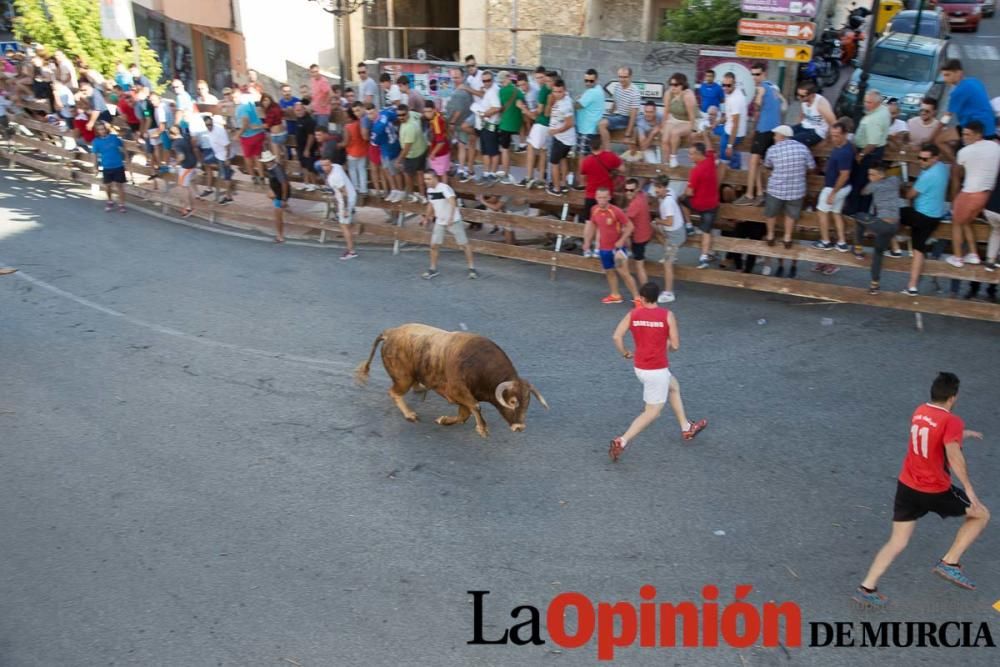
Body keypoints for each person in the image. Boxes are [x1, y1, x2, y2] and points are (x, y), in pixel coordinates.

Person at [853, 372, 989, 608]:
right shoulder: (951, 421)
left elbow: (932, 435)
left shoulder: (920, 412)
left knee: (897, 542)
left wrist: (963, 435)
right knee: (981, 514)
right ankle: (950, 562)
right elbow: (953, 456)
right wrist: (970, 490)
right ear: (953, 397)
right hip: (934, 490)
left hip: (907, 487)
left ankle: (867, 587)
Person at [608, 281, 708, 462]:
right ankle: (622, 441)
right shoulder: (667, 316)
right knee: (652, 412)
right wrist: (663, 343)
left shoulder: (633, 314)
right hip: (657, 370)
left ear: (642, 298)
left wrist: (624, 353)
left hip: (640, 367)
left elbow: (616, 336)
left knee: (674, 387)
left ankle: (686, 427)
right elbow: (675, 345)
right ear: (657, 297)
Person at [947, 121, 1000, 267]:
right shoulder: (995, 146)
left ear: (978, 135)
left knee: (956, 223)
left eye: (968, 134)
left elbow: (957, 174)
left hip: (969, 193)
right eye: (963, 134)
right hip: (986, 196)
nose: (964, 137)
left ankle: (957, 257)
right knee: (966, 222)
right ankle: (973, 254)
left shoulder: (964, 152)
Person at [900, 144, 949, 294]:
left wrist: (904, 188)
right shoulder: (942, 168)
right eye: (920, 158)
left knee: (893, 212)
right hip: (935, 216)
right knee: (918, 250)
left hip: (921, 216)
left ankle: (894, 244)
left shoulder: (928, 176)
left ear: (935, 158)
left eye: (925, 159)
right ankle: (912, 286)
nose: (921, 162)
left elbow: (910, 195)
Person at [849, 163, 902, 294]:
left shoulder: (873, 185)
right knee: (878, 254)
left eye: (872, 174)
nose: (869, 177)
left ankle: (858, 249)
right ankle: (874, 285)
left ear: (881, 174)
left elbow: (863, 192)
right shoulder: (895, 180)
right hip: (894, 226)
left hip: (881, 225)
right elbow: (900, 182)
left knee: (858, 217)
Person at [586, 187, 640, 305]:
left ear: (609, 198)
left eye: (604, 197)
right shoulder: (594, 210)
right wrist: (587, 242)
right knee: (609, 271)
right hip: (604, 248)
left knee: (624, 273)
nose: (602, 200)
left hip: (617, 249)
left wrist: (622, 240)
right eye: (599, 197)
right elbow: (593, 225)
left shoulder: (616, 211)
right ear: (596, 198)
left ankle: (637, 298)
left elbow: (630, 226)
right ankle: (615, 295)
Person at [763, 125, 815, 248]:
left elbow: (767, 165)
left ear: (782, 136)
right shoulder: (803, 148)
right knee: (791, 214)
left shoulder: (773, 150)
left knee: (771, 213)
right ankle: (787, 237)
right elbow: (812, 167)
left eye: (775, 135)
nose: (774, 137)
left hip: (776, 188)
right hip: (797, 189)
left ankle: (770, 235)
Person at [420, 171, 478, 280]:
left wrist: (451, 218)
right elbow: (431, 204)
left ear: (435, 178)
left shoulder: (444, 188)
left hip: (454, 221)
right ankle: (432, 269)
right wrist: (426, 218)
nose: (426, 181)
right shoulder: (430, 190)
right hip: (440, 221)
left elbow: (452, 202)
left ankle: (472, 268)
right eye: (425, 179)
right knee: (434, 245)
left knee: (464, 244)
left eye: (428, 179)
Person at [812, 122, 855, 253]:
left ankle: (825, 241)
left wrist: (833, 193)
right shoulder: (844, 146)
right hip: (842, 187)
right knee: (836, 213)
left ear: (845, 135)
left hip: (834, 187)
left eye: (836, 136)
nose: (833, 139)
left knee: (821, 211)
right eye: (832, 135)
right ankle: (841, 243)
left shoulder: (844, 152)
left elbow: (844, 175)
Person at [848, 90, 891, 215]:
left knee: (858, 184)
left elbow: (872, 143)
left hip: (868, 154)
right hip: (876, 153)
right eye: (865, 101)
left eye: (869, 102)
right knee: (867, 184)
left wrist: (861, 155)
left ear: (877, 103)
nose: (866, 104)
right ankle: (862, 212)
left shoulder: (874, 119)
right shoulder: (883, 110)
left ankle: (854, 212)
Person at [680, 141, 720, 269]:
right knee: (706, 231)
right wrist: (705, 135)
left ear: (698, 154)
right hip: (712, 205)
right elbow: (710, 147)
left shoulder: (695, 171)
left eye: (691, 154)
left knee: (681, 200)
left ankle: (689, 225)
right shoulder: (710, 160)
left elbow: (689, 192)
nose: (689, 157)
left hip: (698, 204)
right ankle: (703, 257)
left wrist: (685, 193)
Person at [940, 59, 996, 140]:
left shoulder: (958, 91)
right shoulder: (974, 81)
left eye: (947, 75)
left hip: (977, 131)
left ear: (959, 73)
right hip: (990, 127)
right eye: (944, 75)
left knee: (939, 140)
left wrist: (932, 135)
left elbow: (947, 116)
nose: (945, 79)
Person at [651, 176, 686, 303]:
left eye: (658, 188)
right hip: (675, 230)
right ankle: (671, 253)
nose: (655, 190)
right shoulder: (670, 191)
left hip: (675, 235)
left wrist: (659, 220)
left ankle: (668, 292)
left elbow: (670, 222)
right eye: (655, 187)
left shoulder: (668, 203)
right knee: (654, 227)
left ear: (664, 187)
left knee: (667, 264)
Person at [519, 69, 553, 188]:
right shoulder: (552, 89)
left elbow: (537, 113)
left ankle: (529, 177)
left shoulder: (544, 90)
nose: (540, 80)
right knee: (543, 151)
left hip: (541, 123)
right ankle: (541, 180)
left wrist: (524, 109)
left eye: (542, 77)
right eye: (537, 78)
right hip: (549, 125)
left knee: (530, 148)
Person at [579, 135, 622, 227]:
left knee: (589, 222)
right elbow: (622, 168)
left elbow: (582, 178)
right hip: (607, 194)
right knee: (610, 221)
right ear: (601, 145)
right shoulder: (610, 156)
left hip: (591, 194)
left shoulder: (586, 161)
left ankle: (587, 241)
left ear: (590, 147)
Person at [320, 159, 358, 259]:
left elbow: (344, 192)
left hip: (345, 200)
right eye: (322, 166)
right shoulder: (337, 166)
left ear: (330, 164)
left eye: (326, 165)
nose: (324, 168)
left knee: (344, 225)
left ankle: (351, 251)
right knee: (346, 224)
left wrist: (345, 209)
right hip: (350, 196)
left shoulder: (334, 177)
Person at [661, 73, 699, 168]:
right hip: (674, 119)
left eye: (676, 85)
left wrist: (693, 130)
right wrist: (663, 125)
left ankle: (673, 156)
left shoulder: (687, 95)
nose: (673, 87)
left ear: (682, 85)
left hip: (689, 121)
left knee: (675, 132)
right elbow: (665, 111)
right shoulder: (668, 94)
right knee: (664, 140)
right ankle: (666, 163)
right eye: (671, 84)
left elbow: (692, 116)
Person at [574, 69, 605, 184]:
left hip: (586, 130)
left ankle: (582, 184)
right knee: (590, 159)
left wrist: (574, 100)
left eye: (591, 81)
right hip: (591, 130)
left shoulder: (592, 92)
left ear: (596, 79)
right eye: (586, 80)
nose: (588, 83)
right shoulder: (598, 89)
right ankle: (588, 183)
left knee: (582, 158)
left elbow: (577, 105)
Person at [546, 78, 576, 197]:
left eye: (560, 92)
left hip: (562, 138)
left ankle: (557, 188)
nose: (557, 94)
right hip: (564, 138)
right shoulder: (562, 98)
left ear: (564, 91)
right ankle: (563, 185)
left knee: (554, 163)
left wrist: (555, 131)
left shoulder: (566, 104)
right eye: (555, 91)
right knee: (563, 159)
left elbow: (570, 123)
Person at [598, 67, 641, 149]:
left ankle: (607, 152)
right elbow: (615, 102)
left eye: (625, 77)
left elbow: (633, 115)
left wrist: (627, 134)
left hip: (628, 118)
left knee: (602, 124)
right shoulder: (617, 87)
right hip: (619, 115)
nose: (622, 79)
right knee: (599, 124)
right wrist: (609, 114)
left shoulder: (635, 92)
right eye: (620, 77)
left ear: (630, 77)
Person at [445, 68, 475, 182]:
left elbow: (459, 110)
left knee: (464, 146)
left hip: (462, 122)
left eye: (457, 77)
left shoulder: (461, 91)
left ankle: (464, 169)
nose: (454, 80)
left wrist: (452, 122)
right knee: (465, 145)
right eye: (453, 77)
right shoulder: (463, 87)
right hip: (465, 122)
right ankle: (465, 169)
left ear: (463, 77)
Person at [622, 177, 653, 286]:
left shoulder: (635, 204)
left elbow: (625, 221)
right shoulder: (642, 195)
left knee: (639, 266)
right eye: (626, 190)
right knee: (639, 259)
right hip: (646, 233)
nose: (628, 193)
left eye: (631, 190)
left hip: (639, 238)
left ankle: (645, 291)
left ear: (636, 190)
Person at [91, 122, 127, 213]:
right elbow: (94, 155)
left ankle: (122, 204)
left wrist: (127, 160)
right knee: (108, 186)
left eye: (103, 129)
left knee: (120, 186)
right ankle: (110, 200)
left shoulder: (114, 138)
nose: (101, 131)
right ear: (97, 131)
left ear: (106, 129)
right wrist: (95, 167)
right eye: (99, 129)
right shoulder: (96, 142)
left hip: (118, 165)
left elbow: (123, 148)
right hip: (107, 166)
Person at [474, 71, 502, 185]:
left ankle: (492, 174)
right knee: (485, 151)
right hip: (485, 126)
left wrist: (484, 114)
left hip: (491, 125)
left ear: (492, 80)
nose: (486, 82)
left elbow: (497, 107)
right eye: (484, 80)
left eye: (488, 80)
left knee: (493, 152)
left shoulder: (493, 91)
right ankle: (486, 174)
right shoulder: (488, 91)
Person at [394, 104, 427, 202]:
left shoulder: (409, 128)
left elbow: (406, 149)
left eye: (403, 115)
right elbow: (422, 116)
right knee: (420, 173)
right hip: (422, 149)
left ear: (407, 113)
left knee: (407, 175)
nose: (401, 117)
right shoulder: (413, 114)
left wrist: (398, 161)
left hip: (412, 155)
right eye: (399, 115)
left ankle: (412, 195)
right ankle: (422, 195)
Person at [497, 71, 525, 184]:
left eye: (501, 82)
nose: (501, 83)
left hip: (505, 124)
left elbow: (500, 106)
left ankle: (505, 172)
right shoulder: (517, 91)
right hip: (517, 124)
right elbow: (522, 102)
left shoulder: (501, 91)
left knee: (505, 150)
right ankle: (522, 144)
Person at [372, 104, 404, 202]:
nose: (370, 115)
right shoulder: (385, 114)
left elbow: (375, 142)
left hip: (391, 148)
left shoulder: (378, 126)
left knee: (395, 171)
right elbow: (393, 111)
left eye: (372, 112)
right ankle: (394, 190)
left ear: (376, 110)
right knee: (387, 170)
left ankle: (400, 191)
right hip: (384, 150)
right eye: (368, 113)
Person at [202, 114, 234, 205]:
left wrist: (227, 159)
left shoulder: (219, 131)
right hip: (217, 154)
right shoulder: (209, 131)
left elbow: (228, 145)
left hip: (223, 156)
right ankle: (227, 172)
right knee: (205, 161)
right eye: (207, 125)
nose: (209, 126)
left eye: (210, 124)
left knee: (226, 177)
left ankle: (228, 197)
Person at [790, 82, 835, 147]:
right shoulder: (804, 101)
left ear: (811, 95)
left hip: (817, 131)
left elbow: (833, 123)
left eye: (802, 96)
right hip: (805, 126)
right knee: (784, 132)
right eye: (797, 94)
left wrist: (827, 140)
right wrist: (797, 127)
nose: (799, 98)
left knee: (793, 141)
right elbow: (802, 115)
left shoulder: (821, 105)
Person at [718, 72, 747, 170]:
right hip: (728, 128)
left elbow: (736, 124)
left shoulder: (735, 99)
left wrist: (730, 145)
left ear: (734, 83)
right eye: (723, 85)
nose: (725, 88)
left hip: (732, 133)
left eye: (728, 85)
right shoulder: (732, 92)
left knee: (723, 163)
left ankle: (729, 166)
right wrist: (717, 123)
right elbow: (728, 115)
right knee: (712, 129)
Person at [236, 92, 267, 184]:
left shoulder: (241, 108)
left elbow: (245, 123)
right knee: (257, 156)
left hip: (248, 136)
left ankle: (253, 177)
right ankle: (262, 177)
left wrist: (238, 134)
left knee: (248, 157)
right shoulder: (251, 104)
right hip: (258, 134)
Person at [169, 126, 199, 219]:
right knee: (189, 183)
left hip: (186, 166)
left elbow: (181, 156)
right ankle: (195, 198)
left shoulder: (176, 144)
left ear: (171, 134)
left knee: (183, 187)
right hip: (194, 163)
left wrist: (175, 164)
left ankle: (188, 208)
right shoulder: (186, 137)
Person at [261, 150, 289, 243]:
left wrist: (284, 199)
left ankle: (280, 236)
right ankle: (279, 235)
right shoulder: (271, 167)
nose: (266, 164)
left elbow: (284, 183)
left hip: (280, 195)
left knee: (278, 217)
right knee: (277, 214)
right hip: (276, 193)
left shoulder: (277, 169)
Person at [293, 102, 319, 192]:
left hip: (309, 148)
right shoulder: (298, 119)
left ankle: (314, 184)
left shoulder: (309, 121)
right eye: (297, 110)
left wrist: (307, 149)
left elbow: (311, 136)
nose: (299, 112)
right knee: (303, 165)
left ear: (304, 109)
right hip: (300, 147)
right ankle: (306, 183)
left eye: (300, 110)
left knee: (310, 166)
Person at [344, 102, 369, 198]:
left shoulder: (348, 126)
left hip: (352, 152)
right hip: (362, 150)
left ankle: (356, 188)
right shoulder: (361, 122)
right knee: (362, 170)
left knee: (352, 170)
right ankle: (364, 189)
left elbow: (346, 141)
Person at [423, 100, 450, 185]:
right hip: (444, 151)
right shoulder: (438, 116)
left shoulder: (436, 122)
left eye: (429, 111)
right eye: (425, 112)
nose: (427, 114)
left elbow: (440, 142)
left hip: (439, 154)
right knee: (443, 173)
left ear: (434, 110)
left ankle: (441, 194)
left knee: (438, 176)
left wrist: (432, 153)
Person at [278, 84, 301, 159]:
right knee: (288, 150)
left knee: (298, 148)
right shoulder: (280, 102)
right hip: (286, 130)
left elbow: (303, 111)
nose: (287, 93)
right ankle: (290, 168)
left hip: (297, 128)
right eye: (285, 91)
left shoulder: (297, 100)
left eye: (289, 91)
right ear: (282, 92)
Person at [309, 64, 333, 128]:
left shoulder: (323, 81)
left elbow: (331, 94)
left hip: (323, 113)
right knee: (317, 134)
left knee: (322, 134)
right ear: (310, 72)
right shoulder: (312, 80)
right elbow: (315, 94)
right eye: (313, 72)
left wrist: (325, 103)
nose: (315, 74)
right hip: (315, 112)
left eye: (316, 71)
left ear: (319, 71)